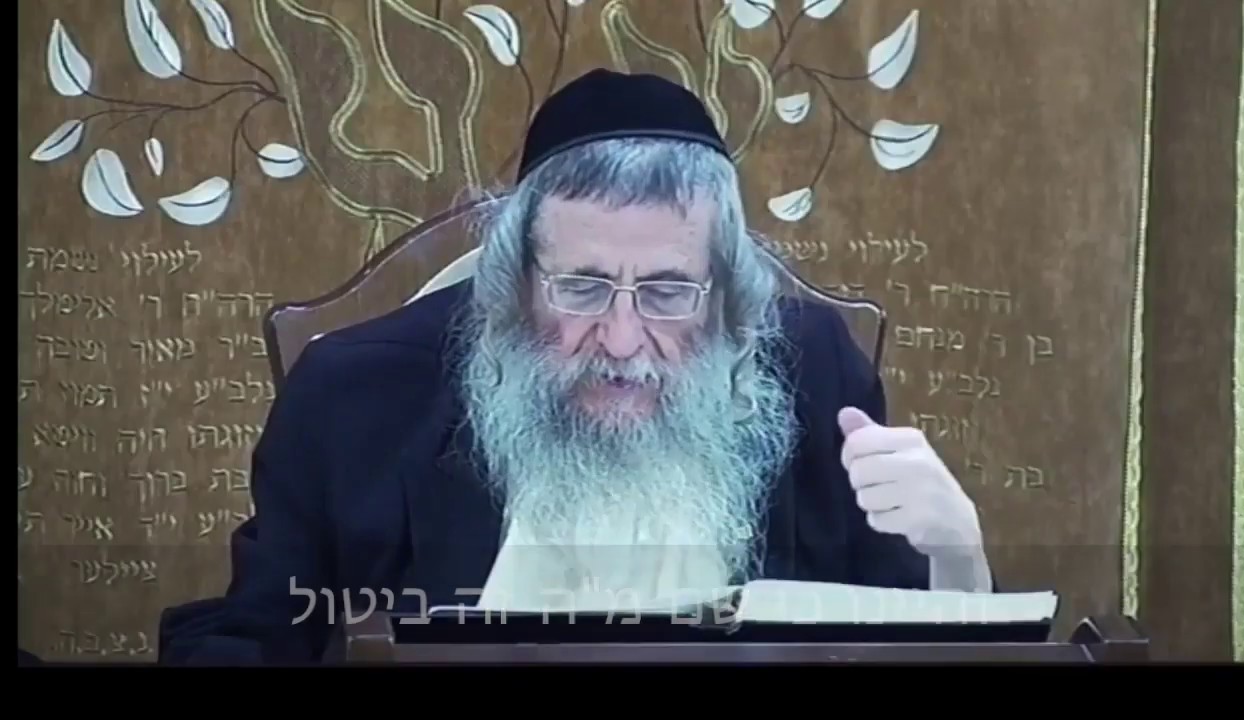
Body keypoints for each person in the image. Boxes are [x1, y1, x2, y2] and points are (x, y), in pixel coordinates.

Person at [157, 68, 991, 664]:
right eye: (583, 288)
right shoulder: (355, 395)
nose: (622, 340)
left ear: (724, 293)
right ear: (516, 281)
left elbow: (905, 636)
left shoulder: (814, 375)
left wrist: (957, 556)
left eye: (668, 292)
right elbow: (252, 637)